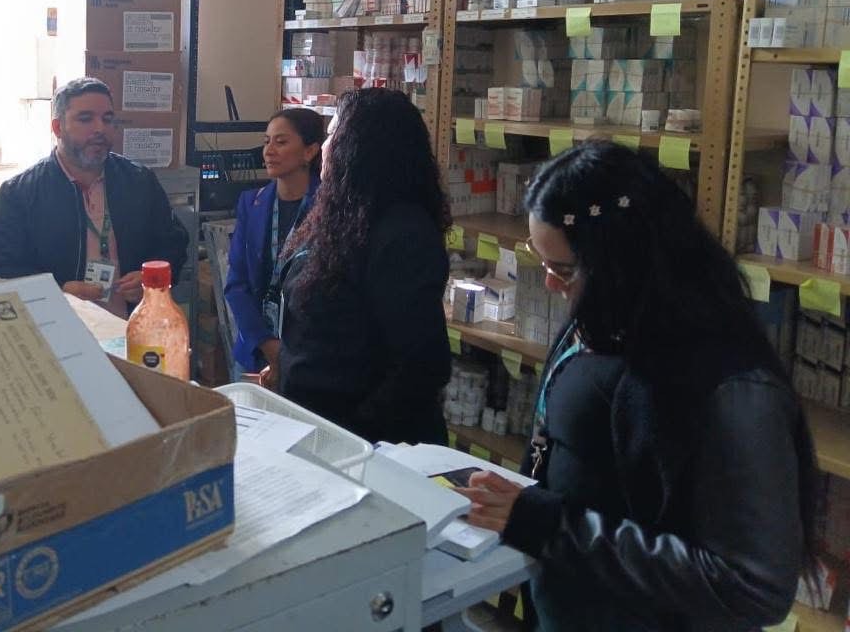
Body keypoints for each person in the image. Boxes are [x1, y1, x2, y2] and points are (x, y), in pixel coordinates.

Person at [457, 141, 818, 632]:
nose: (550, 284)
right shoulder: (601, 318)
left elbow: (751, 586)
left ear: (623, 260)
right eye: (541, 262)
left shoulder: (732, 387)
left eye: (564, 269)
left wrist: (550, 525)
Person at [273, 87, 452, 444]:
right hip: (315, 424)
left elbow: (421, 365)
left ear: (360, 149)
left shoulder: (404, 234)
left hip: (364, 444)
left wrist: (354, 433)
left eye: (333, 136)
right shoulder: (342, 215)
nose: (325, 148)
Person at [0, 77, 189, 316]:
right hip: (58, 325)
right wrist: (58, 291)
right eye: (86, 119)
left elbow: (174, 245)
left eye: (107, 119)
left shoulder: (139, 182)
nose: (100, 129)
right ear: (58, 128)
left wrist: (151, 279)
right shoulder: (19, 194)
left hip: (131, 326)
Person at [224, 108, 323, 375]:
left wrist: (287, 352)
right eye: (266, 141)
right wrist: (266, 344)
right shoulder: (251, 203)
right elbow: (236, 283)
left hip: (308, 353)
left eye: (281, 142)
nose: (268, 151)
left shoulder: (330, 206)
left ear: (309, 151)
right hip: (255, 350)